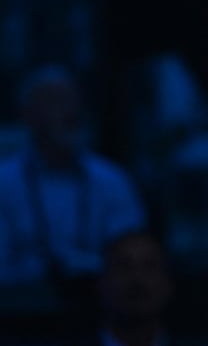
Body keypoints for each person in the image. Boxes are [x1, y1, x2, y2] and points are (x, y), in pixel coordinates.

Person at [0, 63, 148, 342]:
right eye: (56, 102)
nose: (71, 111)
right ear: (28, 115)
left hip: (104, 320)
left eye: (73, 101)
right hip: (20, 323)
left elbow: (135, 257)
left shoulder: (112, 180)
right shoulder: (5, 185)